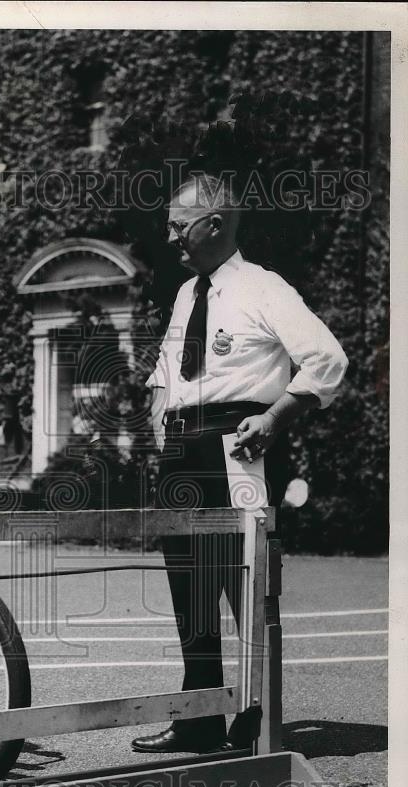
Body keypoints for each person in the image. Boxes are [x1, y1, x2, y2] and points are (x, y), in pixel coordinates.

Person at [131, 174, 348, 754]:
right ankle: (199, 718)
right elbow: (166, 374)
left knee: (246, 582)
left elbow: (326, 359)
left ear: (217, 224)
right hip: (182, 449)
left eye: (179, 225)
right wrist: (160, 425)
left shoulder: (263, 287)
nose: (170, 235)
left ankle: (255, 721)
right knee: (192, 588)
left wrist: (275, 419)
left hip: (238, 446)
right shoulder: (186, 293)